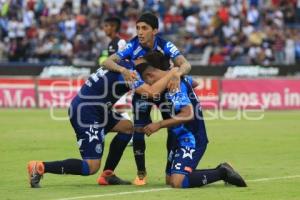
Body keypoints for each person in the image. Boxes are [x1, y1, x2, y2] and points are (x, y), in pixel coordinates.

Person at [27, 61, 180, 188]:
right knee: (91, 167)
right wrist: (172, 73)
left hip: (98, 108)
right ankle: (40, 167)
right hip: (86, 111)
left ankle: (108, 174)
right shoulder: (130, 73)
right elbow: (152, 92)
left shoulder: (122, 64)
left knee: (127, 127)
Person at [102, 12, 192, 185]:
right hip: (142, 92)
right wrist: (123, 70)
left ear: (155, 30)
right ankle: (141, 173)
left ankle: (169, 169)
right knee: (139, 130)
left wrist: (178, 74)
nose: (140, 32)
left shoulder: (165, 45)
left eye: (144, 28)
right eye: (138, 28)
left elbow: (186, 64)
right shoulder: (132, 45)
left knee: (173, 128)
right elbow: (107, 62)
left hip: (163, 92)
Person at [137, 61, 247, 188]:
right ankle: (207, 171)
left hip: (191, 138)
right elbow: (195, 83)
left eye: (146, 82)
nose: (149, 86)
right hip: (178, 136)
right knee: (170, 179)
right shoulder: (176, 79)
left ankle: (222, 172)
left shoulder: (173, 85)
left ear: (149, 75)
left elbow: (188, 114)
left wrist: (159, 124)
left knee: (178, 182)